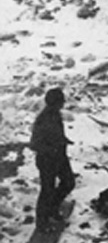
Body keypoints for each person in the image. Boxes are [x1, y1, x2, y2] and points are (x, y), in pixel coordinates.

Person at [29, 87, 75, 233]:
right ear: (55, 102)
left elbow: (56, 135)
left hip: (59, 157)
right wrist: (52, 149)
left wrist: (64, 141)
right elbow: (34, 144)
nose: (63, 103)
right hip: (47, 161)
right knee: (46, 191)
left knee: (68, 183)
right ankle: (42, 223)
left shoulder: (55, 115)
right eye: (61, 101)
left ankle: (52, 208)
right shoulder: (43, 119)